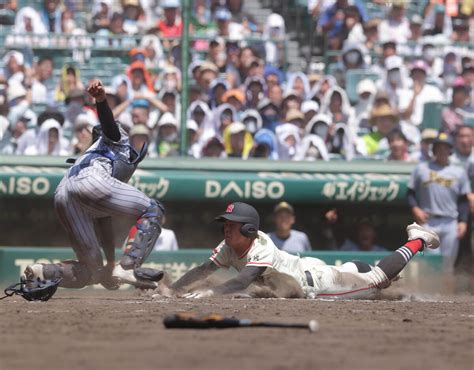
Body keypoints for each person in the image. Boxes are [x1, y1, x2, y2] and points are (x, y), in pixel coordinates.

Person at [23, 80, 165, 290]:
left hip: (63, 193)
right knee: (153, 210)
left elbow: (103, 222)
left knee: (92, 272)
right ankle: (129, 266)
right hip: (90, 181)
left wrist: (109, 265)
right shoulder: (116, 140)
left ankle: (42, 272)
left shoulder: (89, 155)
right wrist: (101, 100)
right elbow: (109, 124)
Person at [168, 202, 440, 299]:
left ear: (250, 229)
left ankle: (417, 239)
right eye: (224, 225)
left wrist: (210, 291)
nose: (226, 229)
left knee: (377, 280)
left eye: (233, 225)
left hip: (318, 283)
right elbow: (204, 269)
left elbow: (242, 280)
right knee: (349, 271)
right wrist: (174, 289)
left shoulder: (260, 246)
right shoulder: (228, 246)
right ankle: (368, 273)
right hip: (305, 267)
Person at [408, 132, 471, 275]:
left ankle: (445, 296)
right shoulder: (421, 169)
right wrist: (415, 208)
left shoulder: (459, 172)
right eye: (439, 147)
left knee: (448, 265)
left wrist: (463, 221)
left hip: (450, 222)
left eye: (445, 147)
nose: (442, 150)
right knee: (431, 261)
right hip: (429, 221)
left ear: (450, 150)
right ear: (434, 149)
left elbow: (463, 200)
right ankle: (429, 294)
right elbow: (410, 192)